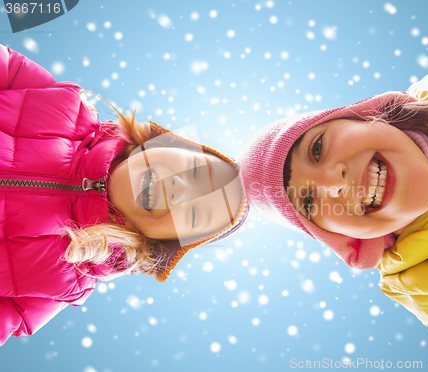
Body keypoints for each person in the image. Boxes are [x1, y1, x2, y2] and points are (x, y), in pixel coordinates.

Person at [238, 45, 428, 367]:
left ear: (361, 116)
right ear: (340, 237)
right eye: (308, 201)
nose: (334, 180)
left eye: (317, 148)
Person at [0, 44, 248, 345]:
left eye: (195, 213)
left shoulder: (63, 281)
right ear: (165, 144)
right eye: (195, 170)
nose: (179, 189)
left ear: (161, 243)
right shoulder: (63, 106)